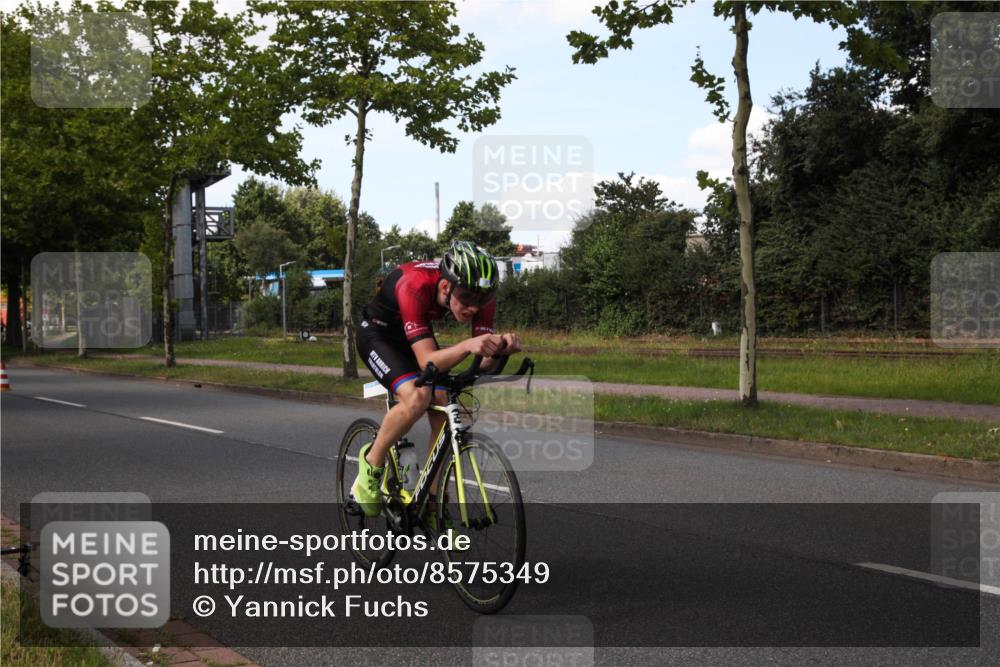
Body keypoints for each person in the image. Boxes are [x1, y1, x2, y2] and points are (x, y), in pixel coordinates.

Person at [352, 240, 522, 521]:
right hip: (378, 335)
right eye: (467, 297)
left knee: (444, 404)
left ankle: (432, 502)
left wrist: (500, 348)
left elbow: (482, 361)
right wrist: (469, 345)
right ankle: (371, 464)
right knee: (417, 397)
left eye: (481, 299)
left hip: (415, 336)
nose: (473, 308)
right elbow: (427, 361)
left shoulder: (480, 301)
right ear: (446, 287)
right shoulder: (414, 285)